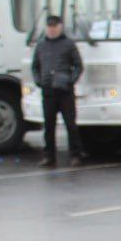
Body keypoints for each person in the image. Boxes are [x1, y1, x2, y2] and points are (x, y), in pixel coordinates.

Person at [31, 15, 86, 167]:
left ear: (60, 27)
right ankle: (49, 156)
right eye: (49, 26)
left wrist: (70, 80)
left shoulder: (68, 44)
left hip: (65, 91)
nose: (52, 29)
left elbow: (78, 65)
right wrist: (39, 81)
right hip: (48, 91)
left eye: (54, 26)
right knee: (48, 126)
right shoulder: (41, 45)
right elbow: (35, 66)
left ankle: (75, 154)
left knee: (70, 125)